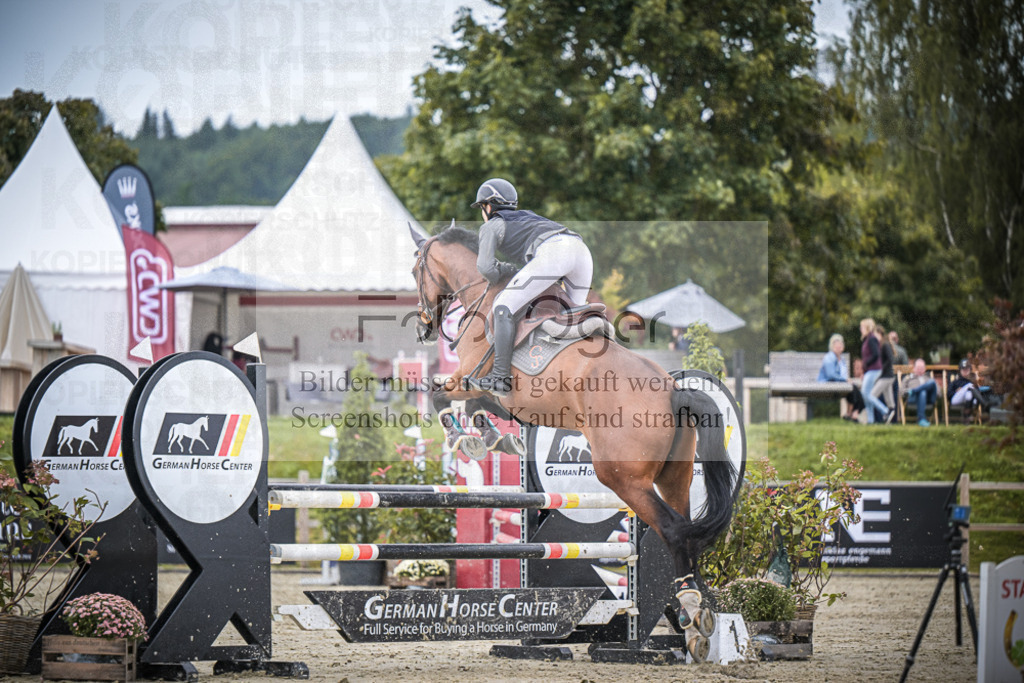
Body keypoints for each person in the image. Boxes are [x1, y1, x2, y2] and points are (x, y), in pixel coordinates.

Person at [464, 178, 594, 396]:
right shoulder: (529, 216)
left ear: (489, 206)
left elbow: (485, 268)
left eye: (481, 207)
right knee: (574, 314)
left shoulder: (491, 226)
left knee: (503, 306)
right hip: (580, 249)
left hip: (554, 253)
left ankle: (500, 378)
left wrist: (503, 269)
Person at [817, 333, 864, 421]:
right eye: (836, 344)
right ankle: (852, 414)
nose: (839, 346)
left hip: (839, 382)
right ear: (832, 346)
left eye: (840, 344)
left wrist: (846, 380)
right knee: (853, 389)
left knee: (855, 389)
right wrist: (845, 380)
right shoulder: (829, 357)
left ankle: (851, 414)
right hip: (827, 382)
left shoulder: (841, 359)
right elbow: (830, 375)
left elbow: (843, 374)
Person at [859, 318, 891, 424]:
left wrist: (866, 363)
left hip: (874, 369)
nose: (860, 329)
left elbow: (876, 354)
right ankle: (871, 420)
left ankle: (885, 411)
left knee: (866, 393)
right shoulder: (867, 339)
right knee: (866, 394)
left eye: (862, 327)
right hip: (870, 370)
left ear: (867, 327)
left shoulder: (872, 339)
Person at [901, 358, 939, 426]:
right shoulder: (908, 378)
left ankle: (913, 391)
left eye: (922, 368)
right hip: (913, 398)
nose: (920, 370)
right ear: (914, 368)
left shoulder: (929, 378)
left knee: (932, 382)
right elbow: (901, 391)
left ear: (925, 369)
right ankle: (921, 419)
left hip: (929, 398)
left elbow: (939, 392)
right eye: (918, 368)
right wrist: (906, 392)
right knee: (922, 392)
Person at [871, 325, 897, 423]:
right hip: (887, 376)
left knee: (872, 395)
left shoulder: (885, 344)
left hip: (886, 376)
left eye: (875, 334)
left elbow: (890, 359)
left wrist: (880, 370)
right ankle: (891, 418)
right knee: (889, 401)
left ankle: (885, 412)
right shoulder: (880, 344)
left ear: (880, 334)